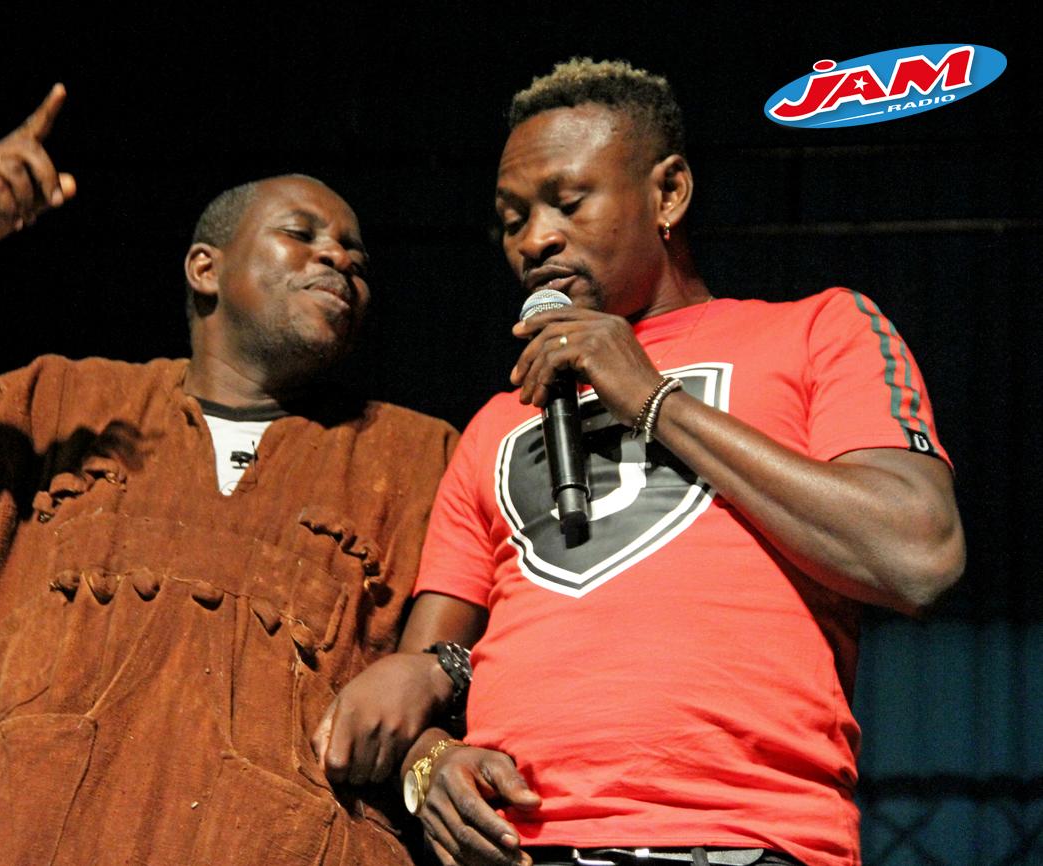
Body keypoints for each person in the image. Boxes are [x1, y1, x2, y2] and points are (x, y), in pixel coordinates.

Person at [0, 84, 457, 866]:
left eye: (356, 257)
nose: (338, 257)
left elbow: (490, 649)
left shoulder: (416, 459)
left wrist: (442, 681)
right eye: (301, 234)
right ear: (205, 268)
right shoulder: (60, 403)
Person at [312, 58, 965, 866]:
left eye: (567, 202)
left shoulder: (819, 330)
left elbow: (919, 554)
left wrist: (652, 399)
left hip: (744, 840)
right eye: (512, 219)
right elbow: (420, 681)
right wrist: (430, 764)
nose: (535, 239)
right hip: (524, 847)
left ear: (669, 194)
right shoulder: (494, 425)